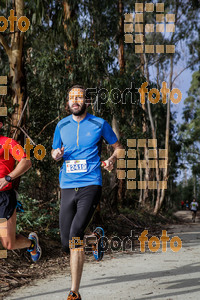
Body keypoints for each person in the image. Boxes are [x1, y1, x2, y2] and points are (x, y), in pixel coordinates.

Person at [51, 85, 122, 300]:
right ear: (68, 102)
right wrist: (56, 155)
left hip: (91, 184)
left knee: (74, 236)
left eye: (79, 97)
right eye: (72, 97)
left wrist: (111, 160)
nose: (75, 101)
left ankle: (74, 292)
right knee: (66, 242)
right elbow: (54, 151)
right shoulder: (61, 126)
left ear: (86, 102)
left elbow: (119, 147)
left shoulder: (99, 123)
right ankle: (95, 238)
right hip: (67, 186)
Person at [0, 117, 41, 262]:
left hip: (3, 198)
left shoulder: (8, 143)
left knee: (8, 244)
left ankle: (32, 243)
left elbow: (26, 161)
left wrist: (8, 178)